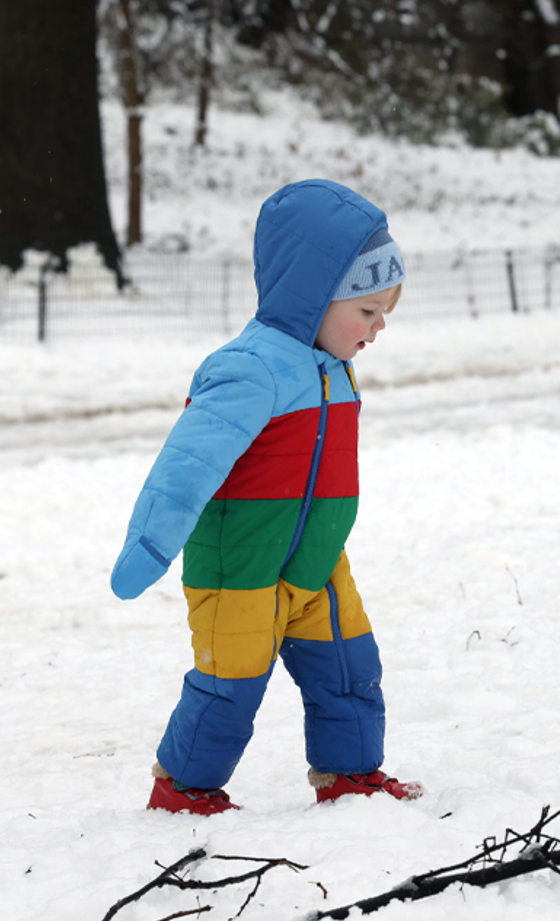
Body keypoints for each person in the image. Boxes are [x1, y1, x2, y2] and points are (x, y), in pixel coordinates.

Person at [109, 179, 420, 815]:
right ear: (315, 295)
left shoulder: (333, 367)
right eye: (366, 310)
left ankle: (350, 774)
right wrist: (150, 545)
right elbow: (187, 465)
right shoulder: (248, 368)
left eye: (385, 311)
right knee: (230, 687)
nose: (378, 327)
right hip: (240, 568)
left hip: (316, 562)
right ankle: (183, 789)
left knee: (351, 669)